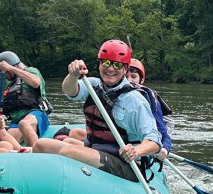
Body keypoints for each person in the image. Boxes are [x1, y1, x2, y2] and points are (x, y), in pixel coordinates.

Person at [32, 40, 162, 182]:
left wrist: (136, 151)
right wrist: (73, 75)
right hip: (94, 150)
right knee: (41, 144)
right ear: (99, 64)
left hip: (124, 163)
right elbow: (70, 91)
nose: (110, 69)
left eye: (117, 64)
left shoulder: (135, 100)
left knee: (67, 151)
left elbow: (154, 141)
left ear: (125, 69)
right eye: (106, 63)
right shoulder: (92, 85)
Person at [0, 51, 50, 147]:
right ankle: (22, 154)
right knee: (5, 144)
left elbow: (36, 83)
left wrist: (11, 68)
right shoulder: (10, 84)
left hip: (35, 114)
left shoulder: (31, 71)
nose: (3, 75)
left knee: (24, 124)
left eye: (3, 71)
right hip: (16, 120)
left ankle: (36, 154)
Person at [126, 58, 173, 160]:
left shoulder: (150, 100)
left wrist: (165, 148)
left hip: (139, 149)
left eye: (133, 76)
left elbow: (162, 132)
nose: (129, 80)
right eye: (125, 76)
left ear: (141, 80)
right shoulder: (112, 95)